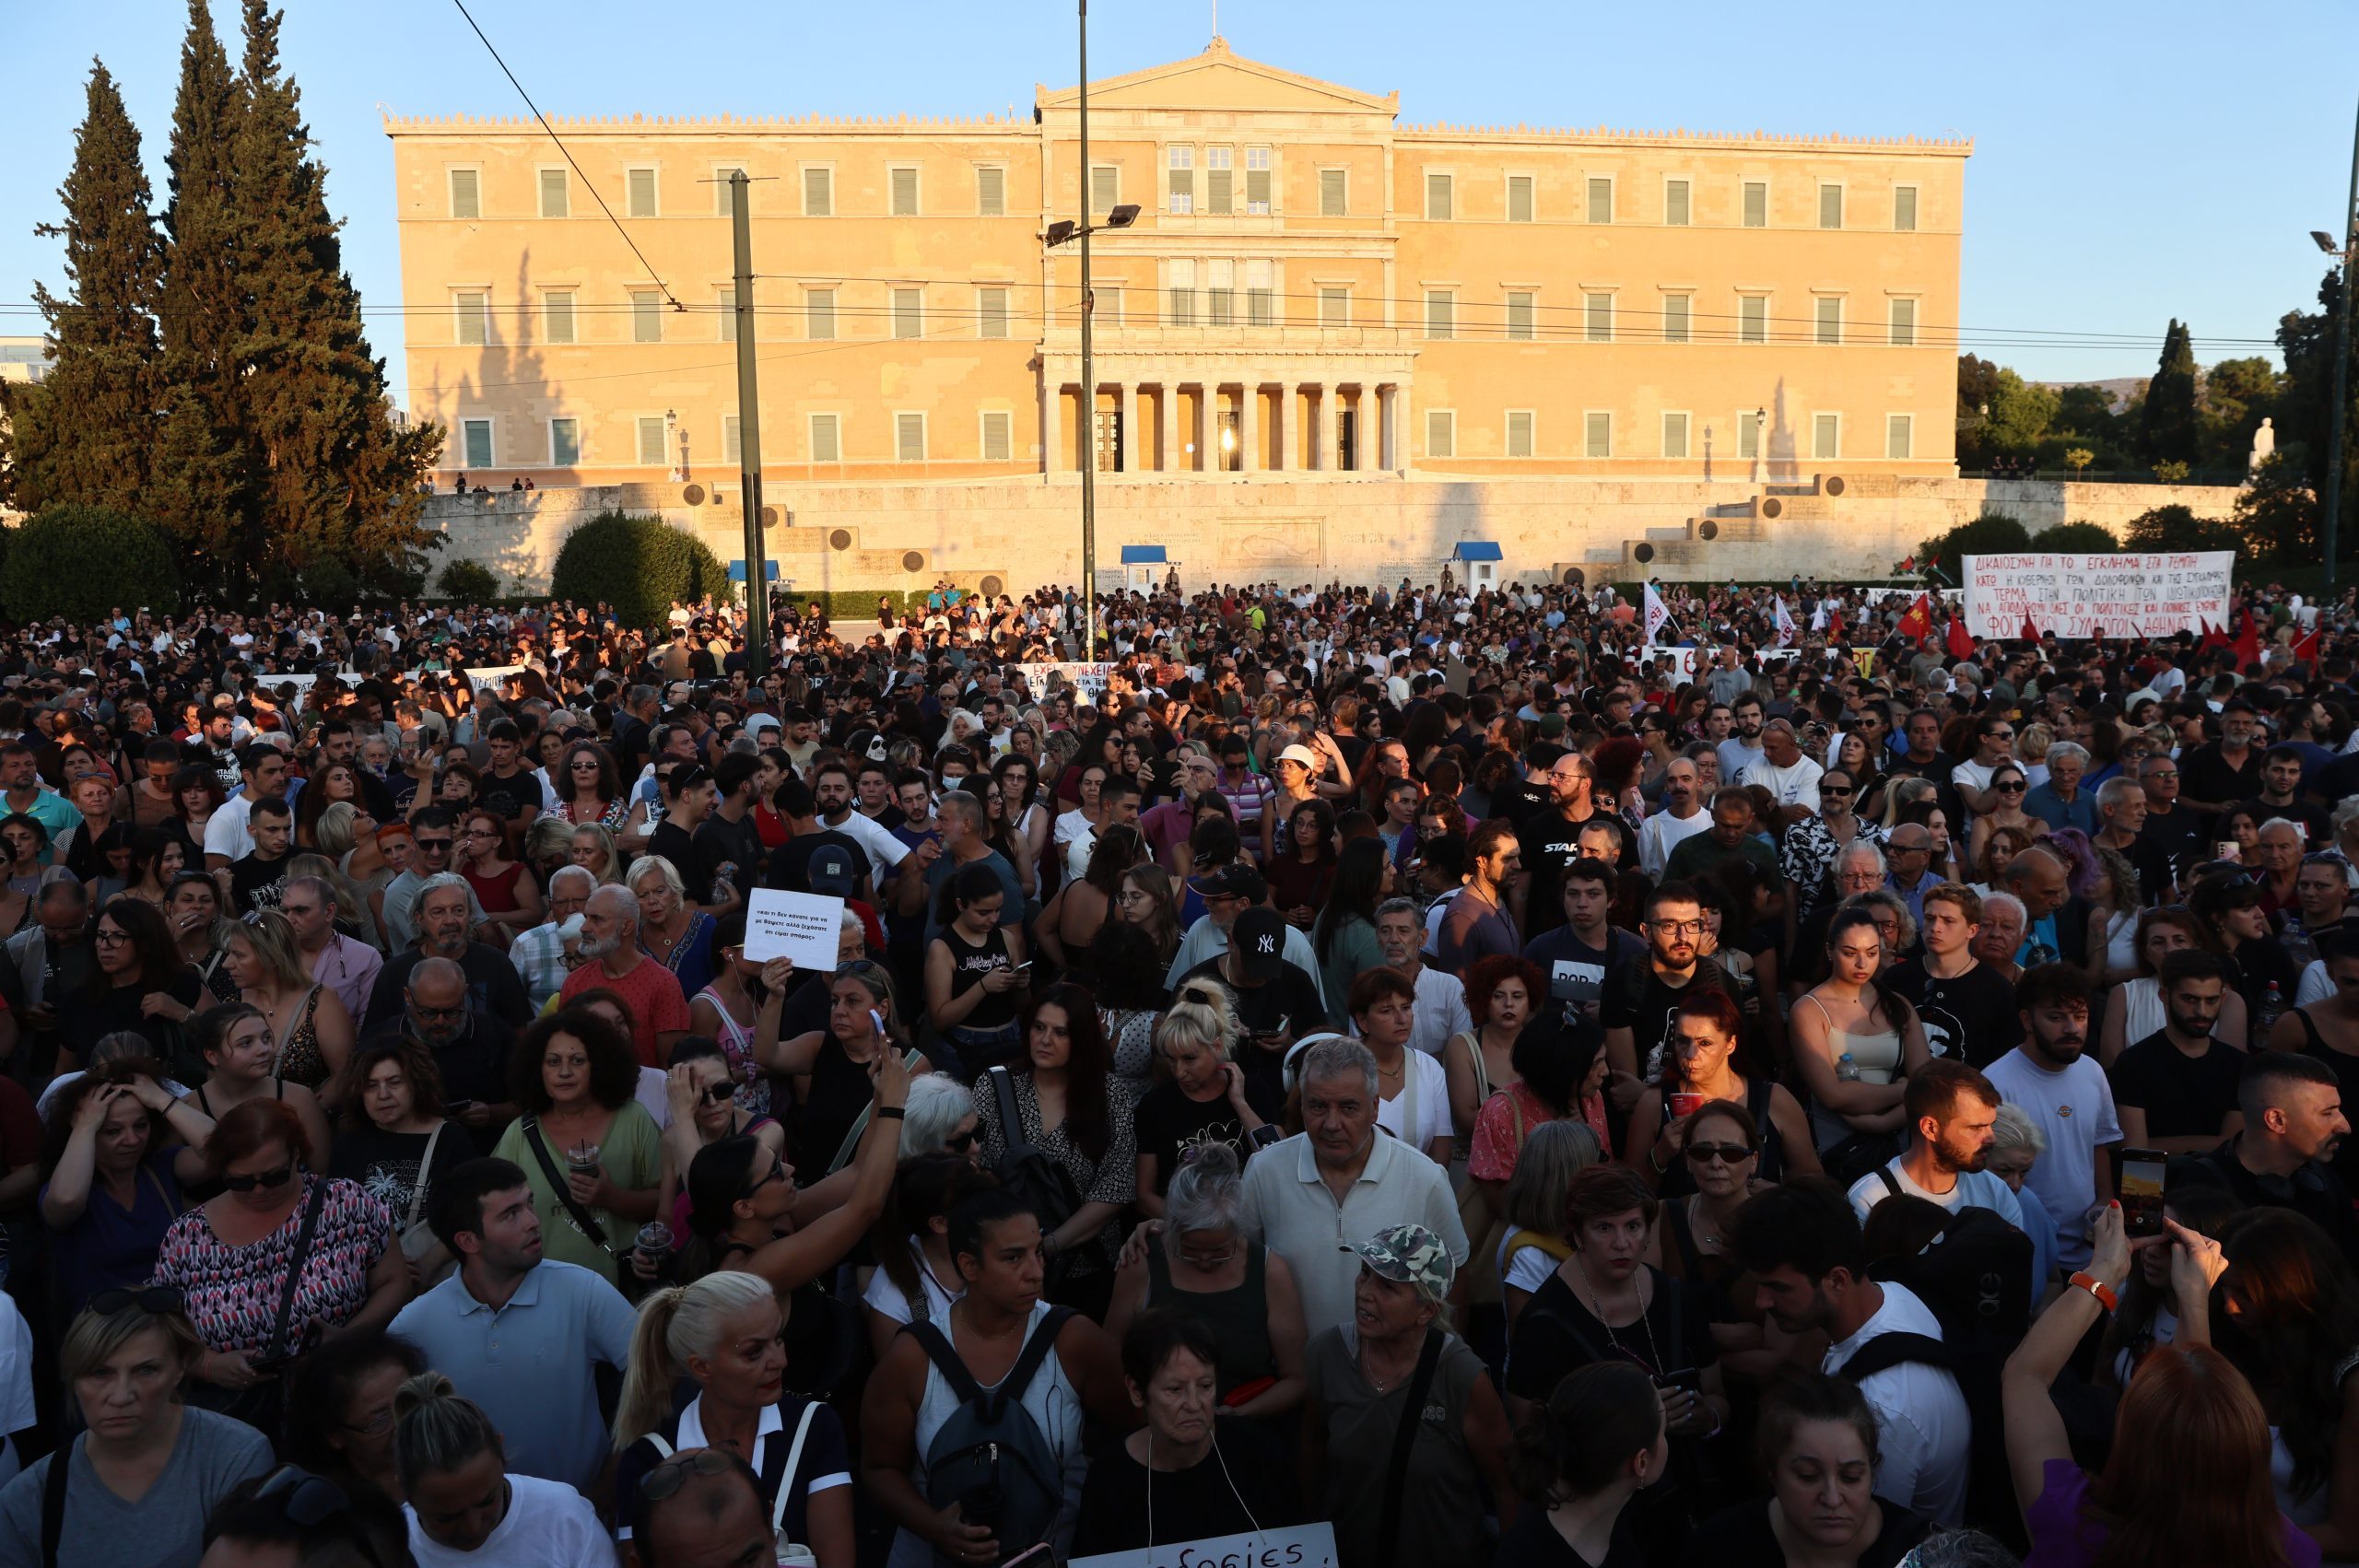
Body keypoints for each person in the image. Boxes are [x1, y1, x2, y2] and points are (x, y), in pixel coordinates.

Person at [2001, 1201, 2323, 1568]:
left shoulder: (2071, 1523)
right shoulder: (2286, 1549)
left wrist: (2104, 1269)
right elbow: (2199, 1419)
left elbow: (2025, 1376)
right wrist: (2195, 1301)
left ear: (2129, 1437)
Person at [860, 1189, 1135, 1568]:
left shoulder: (1074, 1340)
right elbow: (879, 1468)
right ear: (969, 1266)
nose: (1036, 1272)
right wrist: (935, 1526)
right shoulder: (912, 1357)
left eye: (1037, 1251)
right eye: (1013, 1258)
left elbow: (1139, 1428)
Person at [1731, 1178, 1972, 1528]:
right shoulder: (1893, 1295)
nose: (1762, 1302)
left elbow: (1854, 1530)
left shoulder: (1883, 1407)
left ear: (1838, 1281)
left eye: (1778, 1288)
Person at [391, 1156, 638, 1497]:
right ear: (468, 1241)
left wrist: (614, 1473)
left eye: (529, 1205)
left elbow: (655, 1375)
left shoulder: (583, 1291)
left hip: (579, 1518)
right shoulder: (414, 1324)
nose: (533, 1223)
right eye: (511, 1215)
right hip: (474, 1531)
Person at [151, 1098, 406, 1422]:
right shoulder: (186, 1237)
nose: (258, 1191)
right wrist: (210, 1365)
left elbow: (394, 1282)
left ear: (296, 1155)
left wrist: (350, 1338)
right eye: (241, 1182)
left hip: (342, 1403)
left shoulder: (345, 1204)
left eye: (273, 1177)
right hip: (240, 1418)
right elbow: (163, 1331)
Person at [0, 1291, 273, 1568]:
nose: (121, 1396)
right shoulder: (28, 1501)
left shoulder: (236, 1456)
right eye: (100, 1373)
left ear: (180, 1368)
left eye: (146, 1371)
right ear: (73, 1378)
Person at [1303, 1223, 1518, 1568]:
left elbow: (1506, 1484)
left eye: (1386, 1286)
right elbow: (1312, 1448)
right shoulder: (1327, 1355)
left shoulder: (1461, 1375)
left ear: (1426, 1312)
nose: (1365, 1292)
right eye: (1364, 1275)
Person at [613, 1271, 855, 1568]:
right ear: (702, 1367)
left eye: (778, 1339)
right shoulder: (647, 1459)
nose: (780, 1361)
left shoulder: (815, 1427)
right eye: (754, 1352)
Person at [1237, 1037, 1467, 1339]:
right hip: (1293, 1376)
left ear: (1374, 1108)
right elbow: (1236, 1262)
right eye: (1318, 1106)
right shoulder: (1265, 1171)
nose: (1332, 1124)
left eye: (1348, 1107)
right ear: (1301, 1104)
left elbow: (1455, 1284)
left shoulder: (1424, 1178)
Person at [1105, 1141, 1307, 1422]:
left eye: (1219, 1252)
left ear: (1238, 1230)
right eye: (1189, 1251)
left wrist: (1236, 1415)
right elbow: (1109, 1361)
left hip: (1248, 1432)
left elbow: (1296, 1379)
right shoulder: (1142, 1263)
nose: (1204, 1261)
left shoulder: (1269, 1271)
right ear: (1171, 1229)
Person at [1071, 1310, 1298, 1554]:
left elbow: (1299, 1548)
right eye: (1175, 1389)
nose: (1194, 1403)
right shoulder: (1111, 1476)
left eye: (1205, 1386)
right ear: (1137, 1391)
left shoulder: (1259, 1454)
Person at [968, 984, 1137, 1315]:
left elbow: (1115, 1189)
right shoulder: (994, 1085)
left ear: (1082, 1039)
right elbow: (978, 1173)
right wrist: (1020, 1248)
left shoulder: (1110, 1095)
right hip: (1007, 1262)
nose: (1045, 1040)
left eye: (1060, 1032)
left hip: (1086, 1266)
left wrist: (1049, 1245)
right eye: (1039, 1027)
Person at [1679, 1371, 1931, 1568]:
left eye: (1850, 1477)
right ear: (1772, 1471)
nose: (1832, 1498)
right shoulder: (1719, 1549)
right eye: (1808, 1476)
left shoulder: (1923, 1552)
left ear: (1871, 1470)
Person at [489, 1008, 663, 1278]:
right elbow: (492, 1209)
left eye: (578, 1060)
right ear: (538, 1069)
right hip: (545, 1292)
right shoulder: (519, 1133)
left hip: (621, 1291)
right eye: (553, 1062)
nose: (565, 1072)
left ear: (599, 1065)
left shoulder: (634, 1120)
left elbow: (666, 1203)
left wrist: (611, 1197)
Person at [41, 1063, 217, 1317]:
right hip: (105, 1338)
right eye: (113, 1131)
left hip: (169, 1325)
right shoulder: (66, 1186)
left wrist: (160, 1099)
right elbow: (66, 1201)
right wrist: (84, 1125)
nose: (132, 1140)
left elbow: (222, 1153)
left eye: (140, 1125)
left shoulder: (160, 1169)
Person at [392, 1371, 614, 1567]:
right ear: (405, 1490)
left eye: (487, 1501)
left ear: (500, 1451)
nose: (473, 1528)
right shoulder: (390, 1547)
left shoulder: (565, 1519)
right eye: (446, 1518)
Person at [1987, 964, 2121, 1268]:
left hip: (2090, 1253)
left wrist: (2105, 1201)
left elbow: (2100, 1143)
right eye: (2056, 1017)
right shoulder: (1996, 1084)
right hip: (2027, 1252)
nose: (2072, 1028)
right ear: (2027, 1020)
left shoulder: (2093, 1072)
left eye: (2080, 1016)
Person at [1625, 989, 1815, 1191]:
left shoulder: (1773, 1099)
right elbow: (1629, 1194)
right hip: (1686, 1222)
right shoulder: (1655, 1102)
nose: (1691, 1054)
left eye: (1705, 1043)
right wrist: (1660, 1155)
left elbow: (1813, 1178)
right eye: (1682, 1040)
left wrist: (1776, 1194)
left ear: (1730, 1044)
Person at [330, 1036, 477, 1291]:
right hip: (366, 1281)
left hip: (434, 1282)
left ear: (416, 1084)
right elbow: (336, 1222)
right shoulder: (348, 1145)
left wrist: (427, 1264)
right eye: (371, 1085)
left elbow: (470, 1213)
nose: (383, 1095)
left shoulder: (450, 1138)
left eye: (394, 1082)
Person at [1792, 908, 1932, 1176]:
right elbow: (1833, 1095)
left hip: (1898, 1143)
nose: (1861, 964)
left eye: (1871, 953)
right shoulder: (1809, 1010)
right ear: (1830, 951)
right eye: (1849, 953)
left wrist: (1883, 1122)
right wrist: (1902, 1091)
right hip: (1837, 1147)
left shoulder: (1897, 1005)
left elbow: (1926, 1085)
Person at [2175, 1050, 2358, 1253]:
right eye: (2327, 1113)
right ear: (2276, 1120)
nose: (2345, 1126)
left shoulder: (2325, 1184)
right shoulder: (2199, 1190)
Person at [1130, 979, 1281, 1213]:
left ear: (1217, 1047)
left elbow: (1277, 1159)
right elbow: (1145, 1195)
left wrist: (1240, 1104)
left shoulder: (1252, 1090)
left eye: (1190, 1058)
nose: (1179, 1072)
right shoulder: (1154, 1107)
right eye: (1171, 1058)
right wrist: (1192, 1229)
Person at [1600, 881, 1740, 1108]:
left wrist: (1651, 1095)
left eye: (1693, 925)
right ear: (1646, 932)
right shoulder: (1624, 983)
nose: (1683, 937)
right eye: (1670, 926)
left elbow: (1727, 1081)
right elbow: (1626, 1090)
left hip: (1709, 1116)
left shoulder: (1722, 985)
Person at [1847, 1059, 2025, 1229]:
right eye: (1976, 1127)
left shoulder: (1997, 1192)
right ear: (1930, 1128)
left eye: (1990, 1125)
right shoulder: (1869, 1199)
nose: (1991, 1137)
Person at [2109, 948, 2246, 1154]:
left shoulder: (2239, 1066)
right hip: (2151, 1184)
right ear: (2164, 995)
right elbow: (2135, 1153)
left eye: (2211, 1000)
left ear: (2223, 999)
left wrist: (2155, 1145)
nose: (2202, 1011)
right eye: (2190, 999)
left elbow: (2235, 1147)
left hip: (2221, 1184)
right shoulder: (2133, 1063)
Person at [282, 1328, 427, 1504]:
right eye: (382, 1420)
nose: (405, 1423)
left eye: (410, 1401)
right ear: (333, 1435)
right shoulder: (331, 1515)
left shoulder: (459, 1460)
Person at [223, 907, 356, 1098]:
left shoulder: (321, 1001)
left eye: (239, 955)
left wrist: (310, 1114)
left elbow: (345, 1073)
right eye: (229, 953)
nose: (226, 964)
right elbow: (219, 1076)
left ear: (272, 957)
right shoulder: (232, 1003)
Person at [1885, 883, 2022, 1070]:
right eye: (1930, 918)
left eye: (1948, 921)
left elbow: (2005, 1064)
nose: (1935, 927)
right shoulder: (1896, 978)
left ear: (1971, 930)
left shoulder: (1998, 991)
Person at [558, 885, 692, 1070]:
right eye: (585, 918)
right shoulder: (574, 982)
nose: (584, 928)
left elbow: (671, 1067)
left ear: (627, 926)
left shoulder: (662, 983)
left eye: (597, 919)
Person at [925, 862, 1028, 1075]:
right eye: (983, 912)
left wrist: (1021, 985)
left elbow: (1022, 1005)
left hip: (1010, 1039)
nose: (993, 919)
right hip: (965, 1046)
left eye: (998, 910)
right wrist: (983, 986)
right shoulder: (943, 948)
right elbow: (940, 1019)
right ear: (960, 905)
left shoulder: (1006, 938)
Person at [1356, 965, 1453, 1163]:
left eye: (1406, 1008)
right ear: (1363, 1021)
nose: (1402, 1019)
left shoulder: (1429, 1068)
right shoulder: (1342, 1068)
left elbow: (1441, 1151)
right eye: (1387, 1010)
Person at [1374, 894, 1473, 1059]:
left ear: (1423, 938)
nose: (1393, 939)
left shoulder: (1449, 987)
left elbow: (1464, 1049)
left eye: (1403, 931)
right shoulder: (1368, 991)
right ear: (1378, 939)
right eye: (1385, 931)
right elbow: (1365, 1055)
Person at [1438, 819, 1522, 974]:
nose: (1518, 865)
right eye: (1508, 859)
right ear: (1482, 861)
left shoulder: (1495, 897)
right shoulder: (1461, 917)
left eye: (1517, 857)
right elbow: (1457, 988)